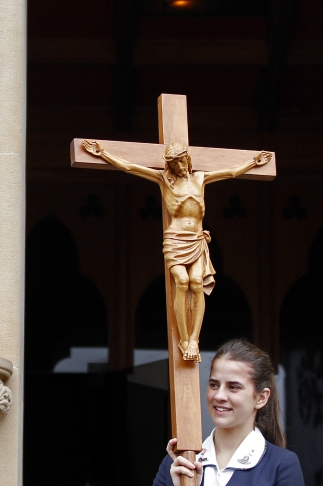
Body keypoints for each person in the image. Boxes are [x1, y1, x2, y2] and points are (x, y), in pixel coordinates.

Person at [82, 140, 272, 361]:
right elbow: (130, 167)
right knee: (181, 282)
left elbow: (229, 172)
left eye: (181, 162)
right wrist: (103, 153)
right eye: (175, 165)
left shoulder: (200, 179)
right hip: (175, 238)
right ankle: (183, 339)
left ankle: (194, 340)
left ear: (187, 160)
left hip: (197, 239)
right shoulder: (164, 180)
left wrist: (253, 162)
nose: (180, 167)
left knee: (196, 284)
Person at [154, 339, 304, 486]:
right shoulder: (177, 464)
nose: (219, 396)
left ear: (261, 398)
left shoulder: (281, 465)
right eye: (214, 385)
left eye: (233, 387)